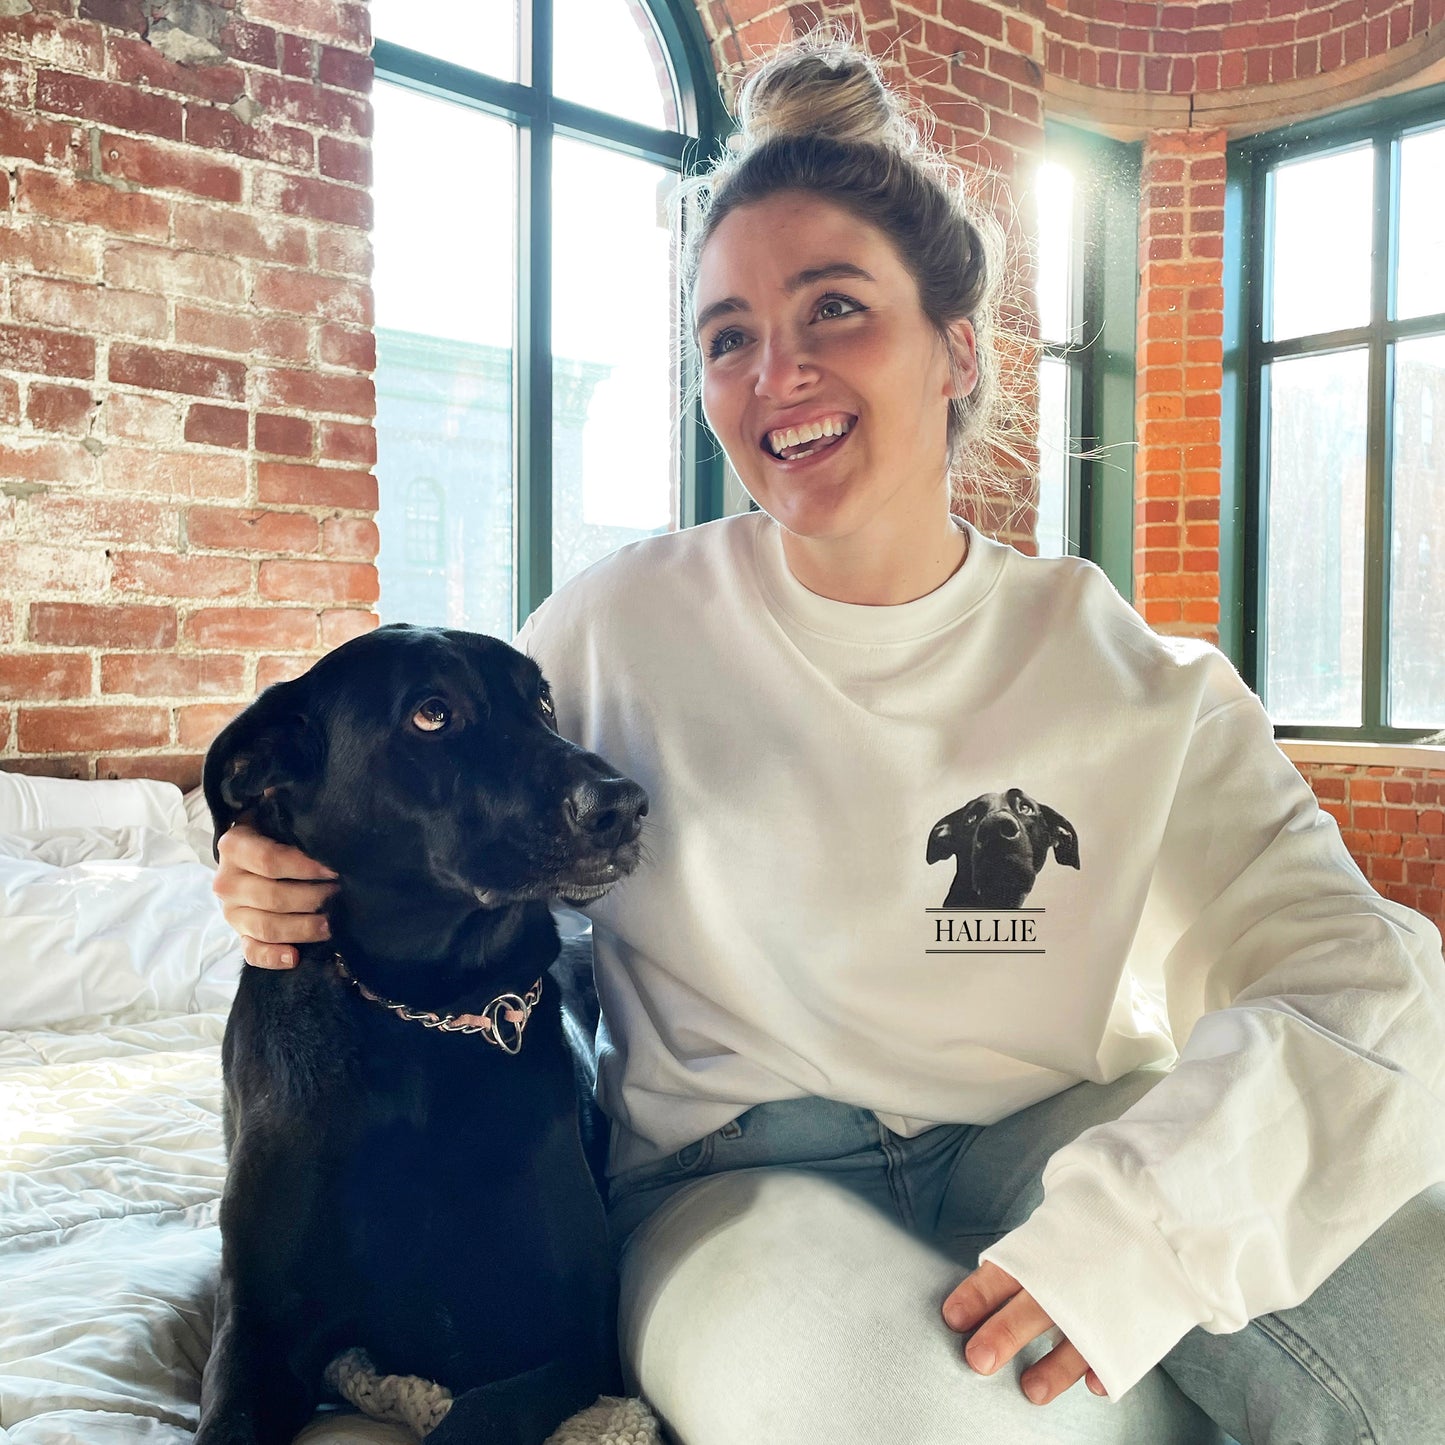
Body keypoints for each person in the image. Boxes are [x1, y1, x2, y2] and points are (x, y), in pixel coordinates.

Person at [214, 33, 1445, 1445]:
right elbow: (398, 781)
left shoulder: (1128, 674)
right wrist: (261, 868)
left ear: (956, 347)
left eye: (835, 310)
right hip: (728, 1185)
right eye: (728, 335)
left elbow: (1366, 986)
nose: (775, 372)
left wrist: (1147, 1236)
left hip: (1052, 1135)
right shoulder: (614, 629)